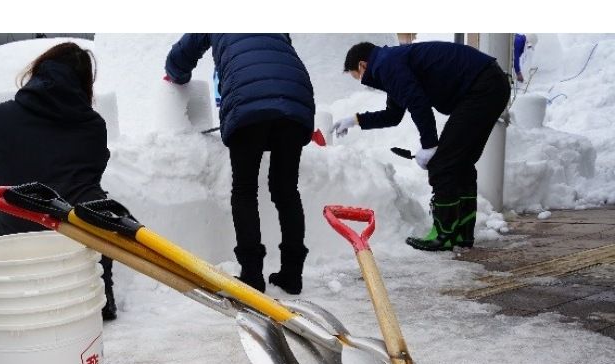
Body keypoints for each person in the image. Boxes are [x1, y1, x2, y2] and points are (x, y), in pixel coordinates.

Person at [0, 42, 118, 320]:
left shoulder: (3, 117)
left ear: (37, 73)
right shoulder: (93, 126)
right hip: (81, 247)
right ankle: (101, 299)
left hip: (18, 245)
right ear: (84, 83)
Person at [164, 33, 316, 294]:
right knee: (286, 189)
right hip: (294, 98)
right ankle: (292, 274)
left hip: (248, 99)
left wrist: (176, 75)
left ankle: (252, 274)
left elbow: (184, 53)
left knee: (244, 191)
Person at [333, 41, 510, 251]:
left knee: (443, 163)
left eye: (358, 76)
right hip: (489, 84)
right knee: (459, 162)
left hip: (481, 87)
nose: (363, 82)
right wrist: (355, 120)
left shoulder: (386, 64)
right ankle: (462, 232)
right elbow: (393, 115)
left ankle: (443, 234)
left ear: (363, 65)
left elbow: (418, 103)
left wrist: (429, 146)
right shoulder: (392, 62)